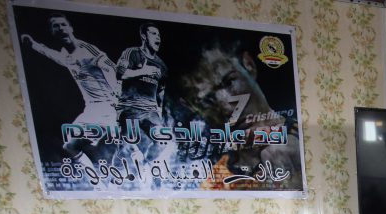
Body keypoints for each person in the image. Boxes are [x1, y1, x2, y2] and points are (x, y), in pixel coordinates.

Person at [176, 40, 303, 190]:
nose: (226, 107)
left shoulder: (308, 141)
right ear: (193, 108)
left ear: (249, 65)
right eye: (206, 100)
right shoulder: (213, 188)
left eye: (229, 82)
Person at [20, 13, 118, 164]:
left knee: (112, 149)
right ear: (52, 31)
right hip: (92, 109)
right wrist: (33, 44)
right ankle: (98, 184)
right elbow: (54, 55)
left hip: (109, 107)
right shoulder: (66, 55)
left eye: (63, 24)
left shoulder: (87, 50)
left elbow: (111, 68)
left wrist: (117, 93)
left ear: (71, 28)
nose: (60, 28)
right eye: (56, 26)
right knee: (70, 146)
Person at [115, 22, 167, 163]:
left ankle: (146, 165)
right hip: (129, 108)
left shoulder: (161, 65)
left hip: (150, 111)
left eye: (159, 35)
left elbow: (161, 90)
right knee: (127, 145)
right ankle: (115, 175)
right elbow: (119, 73)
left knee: (163, 142)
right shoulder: (132, 53)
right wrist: (143, 71)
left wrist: (159, 111)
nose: (158, 38)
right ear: (144, 36)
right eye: (154, 34)